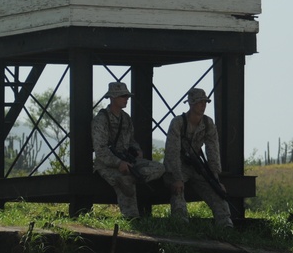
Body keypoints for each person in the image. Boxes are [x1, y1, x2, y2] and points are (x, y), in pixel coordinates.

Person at [91, 81, 165, 219]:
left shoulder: (126, 118)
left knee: (159, 168)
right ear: (113, 98)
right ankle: (132, 219)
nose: (127, 99)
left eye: (127, 96)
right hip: (107, 164)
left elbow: (131, 140)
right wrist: (118, 163)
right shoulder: (101, 120)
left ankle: (131, 178)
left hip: (128, 161)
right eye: (123, 96)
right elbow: (100, 150)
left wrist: (137, 150)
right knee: (125, 182)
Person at [163, 87, 233, 228]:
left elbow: (213, 152)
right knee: (178, 190)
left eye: (205, 102)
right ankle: (180, 223)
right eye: (199, 102)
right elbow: (172, 152)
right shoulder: (178, 122)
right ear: (191, 103)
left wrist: (215, 179)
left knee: (215, 190)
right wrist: (177, 177)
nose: (203, 105)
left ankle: (225, 224)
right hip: (178, 165)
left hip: (196, 166)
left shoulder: (208, 123)